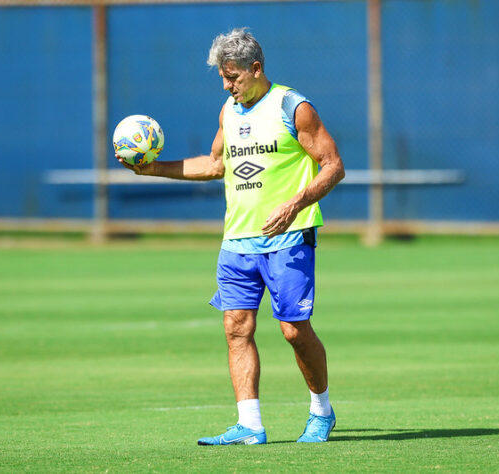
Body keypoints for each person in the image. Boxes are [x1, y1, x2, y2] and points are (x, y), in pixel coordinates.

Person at [117, 27, 345, 445]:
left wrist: (294, 203)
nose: (227, 85)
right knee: (236, 328)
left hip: (289, 236)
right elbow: (214, 164)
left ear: (256, 68)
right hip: (237, 240)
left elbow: (332, 165)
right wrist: (153, 169)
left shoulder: (293, 107)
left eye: (234, 77)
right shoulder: (229, 109)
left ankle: (321, 410)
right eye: (223, 77)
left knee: (294, 330)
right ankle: (250, 425)